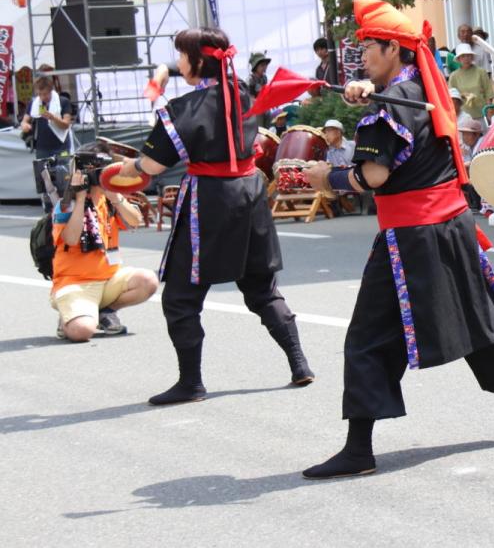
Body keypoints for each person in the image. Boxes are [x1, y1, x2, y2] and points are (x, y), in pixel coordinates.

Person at [300, 0, 494, 479]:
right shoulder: (422, 91)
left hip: (408, 238)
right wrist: (367, 92)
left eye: (368, 48)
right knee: (482, 323)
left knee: (369, 338)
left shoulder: (391, 107)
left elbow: (371, 175)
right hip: (454, 230)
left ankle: (358, 449)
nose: (361, 57)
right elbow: (388, 109)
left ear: (393, 49)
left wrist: (325, 176)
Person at [122, 26, 313, 405]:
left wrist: (114, 169)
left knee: (181, 297)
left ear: (196, 61)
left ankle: (190, 382)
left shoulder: (182, 110)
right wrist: (167, 76)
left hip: (208, 200)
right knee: (261, 288)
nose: (177, 63)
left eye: (181, 56)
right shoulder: (241, 93)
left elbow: (150, 166)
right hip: (249, 193)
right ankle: (299, 363)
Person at [50, 155, 159, 342]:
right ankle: (69, 318)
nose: (105, 177)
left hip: (108, 280)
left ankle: (105, 311)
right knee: (82, 331)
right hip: (74, 283)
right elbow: (70, 238)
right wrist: (81, 198)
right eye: (100, 173)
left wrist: (116, 198)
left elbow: (135, 221)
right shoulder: (66, 205)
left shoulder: (109, 201)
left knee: (147, 280)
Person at [22, 76, 75, 211]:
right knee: (44, 178)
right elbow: (25, 120)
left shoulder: (63, 102)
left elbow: (66, 124)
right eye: (39, 94)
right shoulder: (35, 104)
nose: (43, 97)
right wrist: (25, 125)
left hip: (61, 145)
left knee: (62, 176)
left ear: (51, 91)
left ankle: (65, 206)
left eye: (45, 94)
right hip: (42, 146)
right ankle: (48, 208)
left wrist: (52, 117)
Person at [447, 43, 493, 119]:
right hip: (462, 116)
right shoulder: (453, 76)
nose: (466, 58)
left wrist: (489, 111)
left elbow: (488, 93)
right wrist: (462, 95)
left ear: (472, 57)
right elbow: (451, 97)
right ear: (458, 59)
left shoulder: (481, 72)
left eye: (468, 55)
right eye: (463, 56)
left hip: (482, 114)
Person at [248, 52, 271, 126]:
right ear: (255, 66)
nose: (264, 68)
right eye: (262, 65)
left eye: (265, 65)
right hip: (255, 110)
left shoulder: (264, 78)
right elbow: (250, 98)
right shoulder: (250, 80)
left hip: (265, 107)